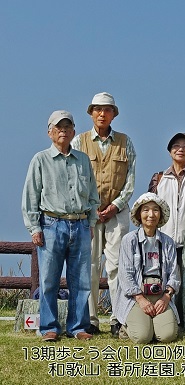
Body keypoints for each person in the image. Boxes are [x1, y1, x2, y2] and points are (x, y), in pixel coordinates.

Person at [22, 110, 100, 342]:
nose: (63, 130)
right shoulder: (40, 159)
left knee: (81, 280)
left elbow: (93, 195)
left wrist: (92, 223)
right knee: (49, 280)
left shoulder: (83, 159)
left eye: (67, 126)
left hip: (81, 224)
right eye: (58, 127)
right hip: (51, 225)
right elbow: (30, 196)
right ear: (50, 133)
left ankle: (78, 327)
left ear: (74, 131)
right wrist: (34, 228)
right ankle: (49, 327)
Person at [72, 92, 136, 337]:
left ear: (113, 114)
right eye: (97, 109)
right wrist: (91, 208)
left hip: (116, 212)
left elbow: (130, 179)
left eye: (107, 110)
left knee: (117, 266)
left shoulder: (125, 141)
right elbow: (75, 178)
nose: (102, 113)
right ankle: (90, 319)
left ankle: (117, 318)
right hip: (87, 213)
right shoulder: (79, 142)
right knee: (89, 266)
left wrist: (115, 206)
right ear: (91, 113)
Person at [148, 132, 185, 323]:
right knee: (162, 279)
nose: (180, 149)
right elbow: (149, 207)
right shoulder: (158, 178)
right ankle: (163, 317)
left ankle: (184, 319)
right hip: (162, 240)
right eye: (176, 146)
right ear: (170, 151)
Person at [114, 193, 180, 343]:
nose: (151, 215)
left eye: (155, 210)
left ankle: (155, 324)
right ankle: (126, 328)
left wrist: (166, 297)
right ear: (138, 214)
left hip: (161, 294)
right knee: (143, 337)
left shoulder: (168, 242)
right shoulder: (129, 240)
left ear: (161, 214)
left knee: (167, 336)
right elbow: (125, 275)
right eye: (146, 210)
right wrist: (140, 299)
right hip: (136, 297)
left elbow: (174, 275)